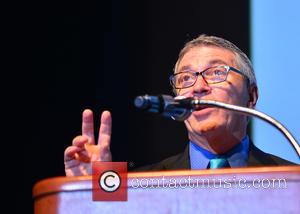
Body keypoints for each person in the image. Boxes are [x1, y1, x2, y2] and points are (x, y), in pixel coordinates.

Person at [64, 34, 296, 176]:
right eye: (185, 78)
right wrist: (92, 189)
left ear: (251, 96)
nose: (198, 86)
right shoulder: (141, 184)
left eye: (216, 72)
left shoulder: (291, 180)